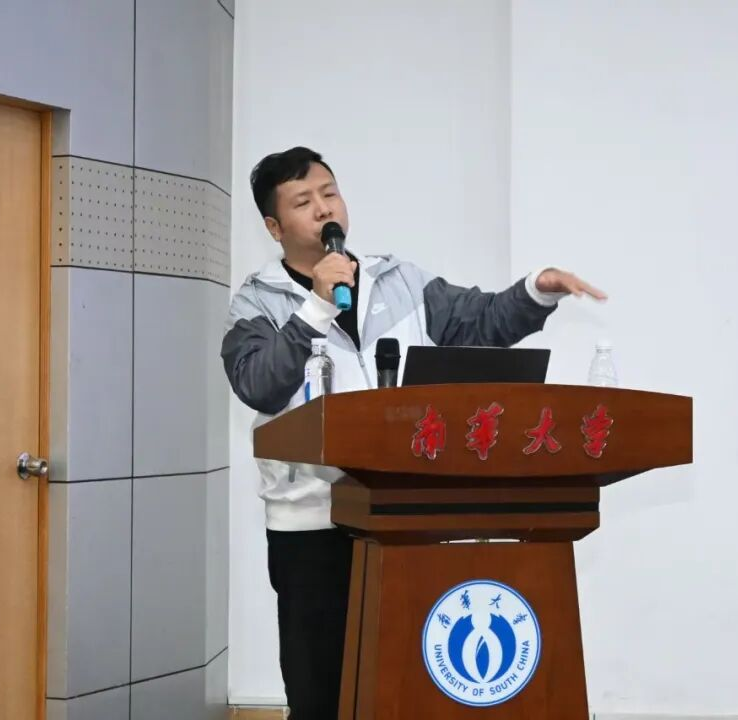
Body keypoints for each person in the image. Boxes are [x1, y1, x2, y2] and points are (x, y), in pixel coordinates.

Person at [221, 146, 606, 720]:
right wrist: (316, 308)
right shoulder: (257, 302)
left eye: (330, 192)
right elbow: (259, 383)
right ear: (275, 228)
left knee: (406, 683)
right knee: (320, 688)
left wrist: (536, 291)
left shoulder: (397, 281)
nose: (324, 208)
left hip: (403, 512)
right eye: (303, 202)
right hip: (312, 524)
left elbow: (481, 320)